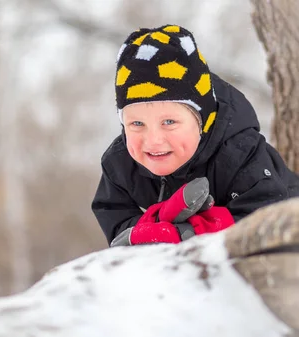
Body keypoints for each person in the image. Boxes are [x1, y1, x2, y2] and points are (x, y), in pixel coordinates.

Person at [91, 24, 299, 247]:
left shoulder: (238, 153)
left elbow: (266, 219)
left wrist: (192, 230)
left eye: (169, 122)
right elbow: (113, 214)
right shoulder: (120, 163)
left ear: (203, 119)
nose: (153, 140)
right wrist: (153, 223)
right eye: (137, 123)